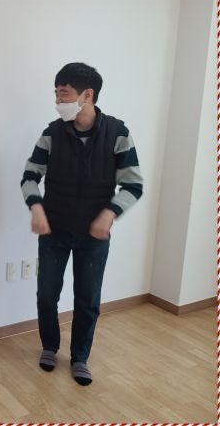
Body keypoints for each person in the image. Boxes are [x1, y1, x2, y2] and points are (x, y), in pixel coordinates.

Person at [21, 63, 143, 386]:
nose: (57, 100)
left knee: (87, 300)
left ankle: (80, 357)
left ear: (87, 95)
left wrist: (109, 214)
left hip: (94, 236)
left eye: (64, 93)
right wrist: (36, 207)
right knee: (46, 295)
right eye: (56, 93)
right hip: (54, 232)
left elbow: (133, 185)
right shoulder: (52, 133)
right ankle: (50, 346)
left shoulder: (118, 133)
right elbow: (30, 176)